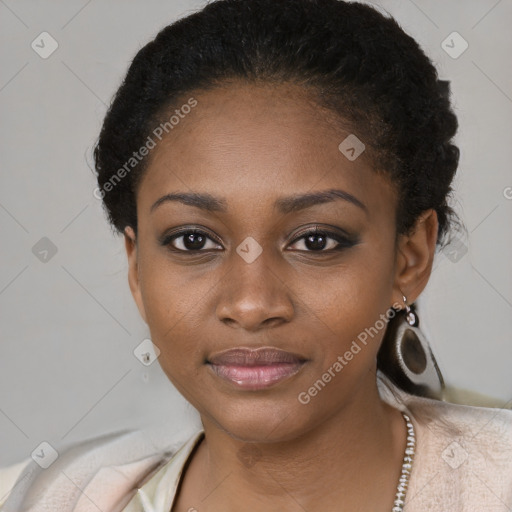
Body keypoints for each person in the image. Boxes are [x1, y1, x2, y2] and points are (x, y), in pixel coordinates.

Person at [2, 0, 511, 510]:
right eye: (193, 241)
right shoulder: (48, 498)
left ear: (410, 257)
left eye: (316, 240)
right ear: (136, 267)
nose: (251, 304)